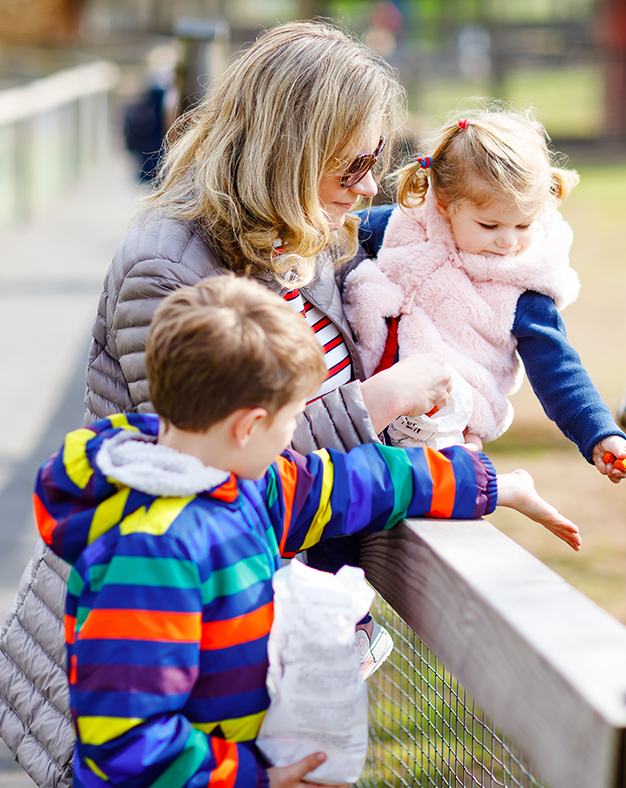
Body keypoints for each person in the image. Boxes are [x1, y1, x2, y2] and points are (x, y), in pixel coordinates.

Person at [0, 19, 444, 786]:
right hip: (155, 643)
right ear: (290, 153)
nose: (370, 186)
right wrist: (375, 406)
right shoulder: (167, 272)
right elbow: (214, 466)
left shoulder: (300, 239)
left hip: (243, 637)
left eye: (378, 161)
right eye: (354, 165)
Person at [40, 275, 580, 788]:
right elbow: (126, 741)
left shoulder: (243, 485)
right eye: (292, 420)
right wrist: (257, 776)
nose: (293, 436)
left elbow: (355, 482)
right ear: (249, 426)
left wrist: (491, 485)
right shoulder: (152, 553)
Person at [343, 108, 626, 480]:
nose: (508, 241)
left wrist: (599, 432)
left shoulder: (524, 288)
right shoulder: (405, 226)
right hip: (364, 401)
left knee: (420, 513)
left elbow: (558, 368)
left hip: (440, 428)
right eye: (489, 225)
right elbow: (336, 237)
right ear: (444, 205)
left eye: (523, 225)